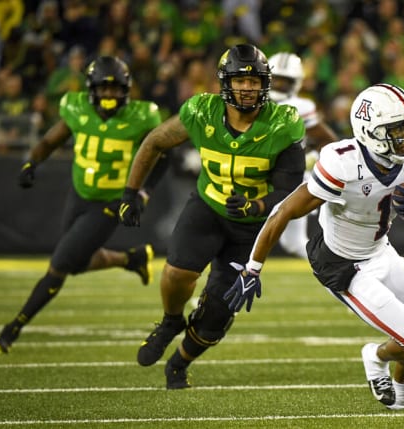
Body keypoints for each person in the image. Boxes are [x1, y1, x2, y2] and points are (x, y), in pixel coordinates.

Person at [226, 83, 404, 410]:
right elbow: (285, 210)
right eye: (398, 129)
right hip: (341, 263)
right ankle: (374, 357)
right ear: (371, 132)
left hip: (380, 250)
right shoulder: (343, 163)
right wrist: (253, 268)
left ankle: (403, 399)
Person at [118, 44, 305, 388]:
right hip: (208, 206)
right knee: (176, 273)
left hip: (251, 227)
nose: (247, 88)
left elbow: (290, 192)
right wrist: (131, 192)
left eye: (254, 81)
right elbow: (154, 142)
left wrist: (257, 207)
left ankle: (178, 363)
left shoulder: (283, 123)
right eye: (239, 81)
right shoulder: (202, 111)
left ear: (266, 83)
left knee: (218, 314)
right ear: (225, 82)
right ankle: (171, 320)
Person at [0, 56, 166, 354]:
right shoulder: (77, 108)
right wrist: (32, 162)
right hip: (80, 194)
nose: (109, 96)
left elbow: (163, 155)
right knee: (77, 261)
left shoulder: (143, 116)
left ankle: (13, 328)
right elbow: (51, 140)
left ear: (126, 90)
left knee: (59, 265)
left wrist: (142, 193)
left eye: (114, 89)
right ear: (91, 89)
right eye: (103, 89)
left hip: (112, 201)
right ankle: (132, 259)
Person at [268, 51, 338, 258]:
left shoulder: (300, 107)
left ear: (296, 83)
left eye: (285, 81)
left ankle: (333, 270)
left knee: (293, 242)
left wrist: (312, 158)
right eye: (276, 80)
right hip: (256, 175)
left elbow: (328, 141)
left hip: (289, 180)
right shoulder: (253, 101)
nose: (279, 85)